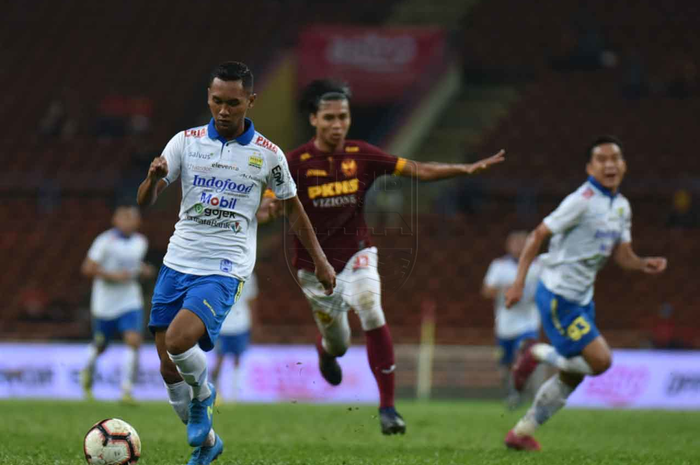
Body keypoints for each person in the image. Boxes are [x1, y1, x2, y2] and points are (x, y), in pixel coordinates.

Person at [258, 79, 505, 435]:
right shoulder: (293, 163)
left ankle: (388, 408)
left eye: (342, 116)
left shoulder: (363, 155)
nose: (337, 124)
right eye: (329, 117)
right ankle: (327, 350)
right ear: (314, 119)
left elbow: (418, 169)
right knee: (339, 342)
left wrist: (463, 169)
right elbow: (271, 205)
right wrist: (265, 211)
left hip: (358, 252)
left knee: (370, 305)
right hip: (314, 270)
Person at [136, 62, 335, 465]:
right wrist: (152, 179)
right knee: (167, 369)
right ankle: (208, 445)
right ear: (208, 98)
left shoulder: (268, 155)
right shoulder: (186, 142)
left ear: (250, 100)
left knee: (177, 342)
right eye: (216, 101)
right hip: (178, 260)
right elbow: (145, 202)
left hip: (225, 266)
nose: (223, 111)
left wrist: (321, 260)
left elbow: (295, 211)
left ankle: (205, 396)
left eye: (232, 102)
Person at [503, 136, 667, 451]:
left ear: (623, 165)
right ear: (590, 167)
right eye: (601, 159)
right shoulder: (581, 200)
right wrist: (518, 282)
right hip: (558, 296)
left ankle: (520, 433)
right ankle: (535, 354)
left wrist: (643, 263)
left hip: (582, 297)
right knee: (601, 362)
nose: (609, 164)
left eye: (615, 158)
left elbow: (622, 255)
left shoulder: (621, 206)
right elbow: (537, 235)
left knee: (572, 375)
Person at [80, 205, 154, 403]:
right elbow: (88, 268)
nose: (129, 222)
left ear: (138, 222)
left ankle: (127, 390)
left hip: (130, 300)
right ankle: (86, 373)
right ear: (116, 220)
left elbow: (133, 265)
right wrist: (112, 276)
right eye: (125, 218)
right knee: (101, 345)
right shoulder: (105, 241)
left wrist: (144, 270)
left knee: (133, 341)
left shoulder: (140, 242)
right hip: (105, 303)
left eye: (132, 218)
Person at [482, 231, 541, 409]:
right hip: (505, 323)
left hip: (528, 320)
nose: (519, 247)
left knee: (524, 355)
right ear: (509, 245)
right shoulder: (499, 266)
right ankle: (510, 391)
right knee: (505, 365)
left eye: (523, 243)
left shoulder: (538, 266)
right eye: (515, 243)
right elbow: (486, 291)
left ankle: (520, 392)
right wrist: (505, 289)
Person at [211, 272, 258, 402]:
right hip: (223, 324)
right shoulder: (220, 273)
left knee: (237, 358)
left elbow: (251, 300)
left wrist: (252, 323)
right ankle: (216, 392)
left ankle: (235, 394)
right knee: (220, 359)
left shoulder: (248, 274)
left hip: (241, 322)